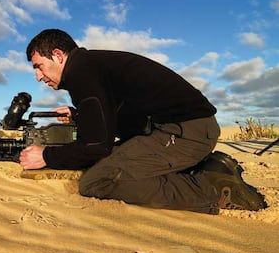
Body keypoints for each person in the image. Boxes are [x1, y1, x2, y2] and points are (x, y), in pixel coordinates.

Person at [19, 28, 267, 214]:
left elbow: (97, 145)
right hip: (181, 128)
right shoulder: (92, 65)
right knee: (110, 160)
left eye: (39, 66)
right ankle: (199, 167)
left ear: (58, 55)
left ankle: (209, 188)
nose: (39, 77)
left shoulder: (81, 72)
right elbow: (116, 115)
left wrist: (46, 157)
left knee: (96, 181)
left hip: (185, 133)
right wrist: (79, 114)